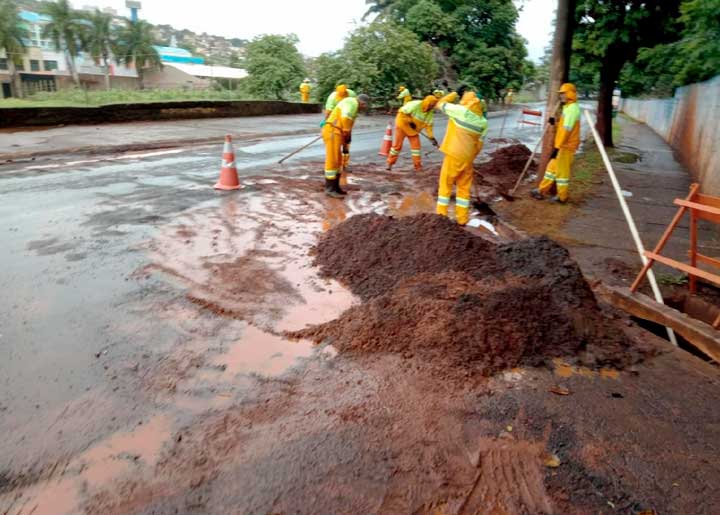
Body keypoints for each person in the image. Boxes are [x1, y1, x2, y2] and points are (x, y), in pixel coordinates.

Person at [434, 87, 488, 225]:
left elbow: (439, 103)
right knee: (464, 188)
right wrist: (469, 158)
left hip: (453, 155)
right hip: (468, 158)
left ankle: (441, 217)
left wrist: (454, 94)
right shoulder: (483, 122)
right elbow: (479, 145)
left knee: (445, 185)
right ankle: (462, 219)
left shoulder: (460, 111)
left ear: (465, 100)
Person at [531, 83, 581, 203]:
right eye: (561, 94)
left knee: (562, 173)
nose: (561, 96)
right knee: (551, 169)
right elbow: (563, 127)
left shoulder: (572, 109)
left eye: (563, 93)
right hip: (562, 145)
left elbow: (566, 131)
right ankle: (541, 190)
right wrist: (555, 123)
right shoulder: (568, 108)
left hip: (566, 146)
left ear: (570, 94)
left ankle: (562, 197)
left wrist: (557, 148)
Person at [322, 93, 370, 198]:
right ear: (362, 103)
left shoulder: (353, 105)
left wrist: (346, 138)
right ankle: (329, 189)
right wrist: (347, 132)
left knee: (338, 161)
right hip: (332, 131)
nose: (365, 108)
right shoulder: (352, 103)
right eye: (365, 105)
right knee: (332, 160)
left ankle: (335, 187)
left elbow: (347, 123)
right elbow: (345, 118)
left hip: (337, 132)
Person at [386, 95, 439, 172]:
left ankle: (418, 167)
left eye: (433, 106)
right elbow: (401, 112)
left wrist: (431, 137)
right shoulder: (415, 104)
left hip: (413, 131)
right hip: (402, 126)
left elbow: (429, 126)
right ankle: (389, 164)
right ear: (427, 102)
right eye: (430, 105)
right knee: (397, 147)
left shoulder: (430, 113)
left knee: (416, 149)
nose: (431, 107)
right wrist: (410, 121)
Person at [324, 84, 358, 171]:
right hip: (336, 124)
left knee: (346, 143)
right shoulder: (332, 98)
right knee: (334, 147)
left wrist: (348, 130)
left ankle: (345, 165)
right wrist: (327, 124)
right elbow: (328, 112)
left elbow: (353, 110)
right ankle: (334, 164)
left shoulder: (351, 94)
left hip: (347, 123)